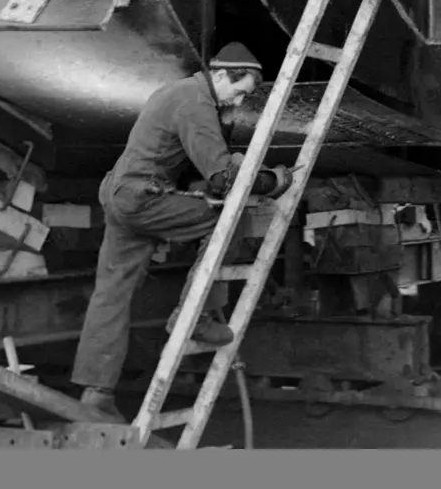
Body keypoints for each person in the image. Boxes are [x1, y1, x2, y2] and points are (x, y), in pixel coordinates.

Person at [71, 42, 291, 421]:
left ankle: (96, 394)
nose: (238, 103)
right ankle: (195, 318)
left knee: (112, 293)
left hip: (121, 193)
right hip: (142, 198)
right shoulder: (196, 103)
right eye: (238, 93)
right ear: (220, 75)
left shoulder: (176, 91)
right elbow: (223, 178)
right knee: (228, 221)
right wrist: (273, 181)